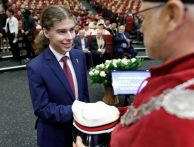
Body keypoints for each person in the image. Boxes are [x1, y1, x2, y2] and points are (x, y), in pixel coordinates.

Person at [74, 0, 194, 146]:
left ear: (172, 16)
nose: (141, 29)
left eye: (143, 18)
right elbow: (147, 108)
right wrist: (116, 112)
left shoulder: (175, 120)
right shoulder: (176, 76)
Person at [26, 5, 90, 147]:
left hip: (81, 131)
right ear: (47, 33)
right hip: (54, 136)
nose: (70, 37)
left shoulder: (79, 55)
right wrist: (78, 109)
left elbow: (84, 94)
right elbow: (42, 108)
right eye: (62, 32)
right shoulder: (36, 67)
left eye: (72, 30)